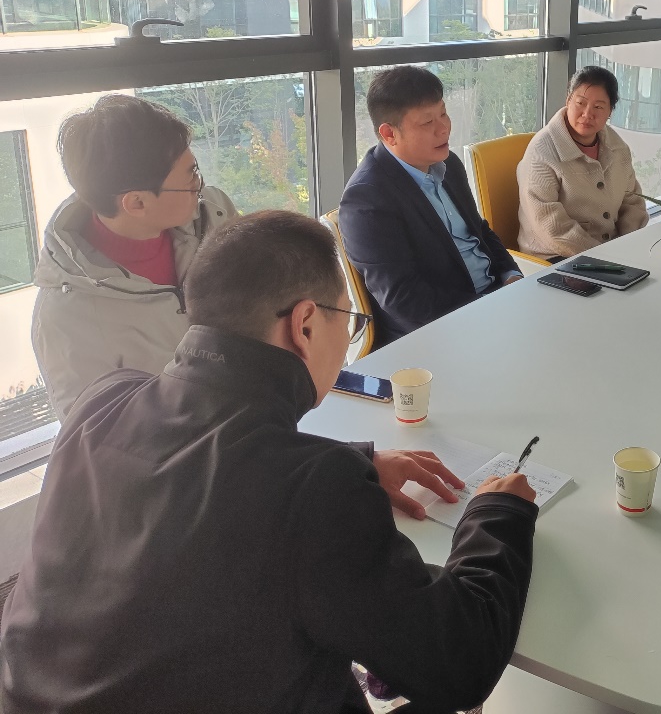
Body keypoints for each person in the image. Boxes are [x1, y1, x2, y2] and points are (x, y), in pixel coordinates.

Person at [0, 211, 539, 713]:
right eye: (348, 322)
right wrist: (497, 514)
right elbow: (459, 662)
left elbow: (194, 475)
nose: (346, 342)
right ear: (305, 324)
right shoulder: (316, 489)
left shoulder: (103, 402)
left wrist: (356, 461)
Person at [30, 94, 238, 420]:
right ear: (137, 203)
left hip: (259, 420)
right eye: (190, 178)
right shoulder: (68, 319)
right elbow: (98, 435)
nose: (200, 187)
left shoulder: (215, 218)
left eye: (196, 171)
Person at [339, 66, 521, 346]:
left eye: (444, 113)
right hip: (439, 335)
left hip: (496, 304)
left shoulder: (448, 164)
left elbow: (480, 231)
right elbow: (404, 301)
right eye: (427, 122)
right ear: (389, 134)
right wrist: (487, 309)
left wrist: (512, 277)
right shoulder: (366, 202)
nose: (444, 128)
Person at [517, 65, 649, 260]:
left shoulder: (617, 147)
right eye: (581, 103)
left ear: (610, 111)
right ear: (568, 100)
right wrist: (606, 257)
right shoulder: (541, 153)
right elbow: (551, 227)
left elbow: (632, 202)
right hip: (554, 256)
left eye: (598, 107)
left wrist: (627, 247)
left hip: (611, 252)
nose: (587, 114)